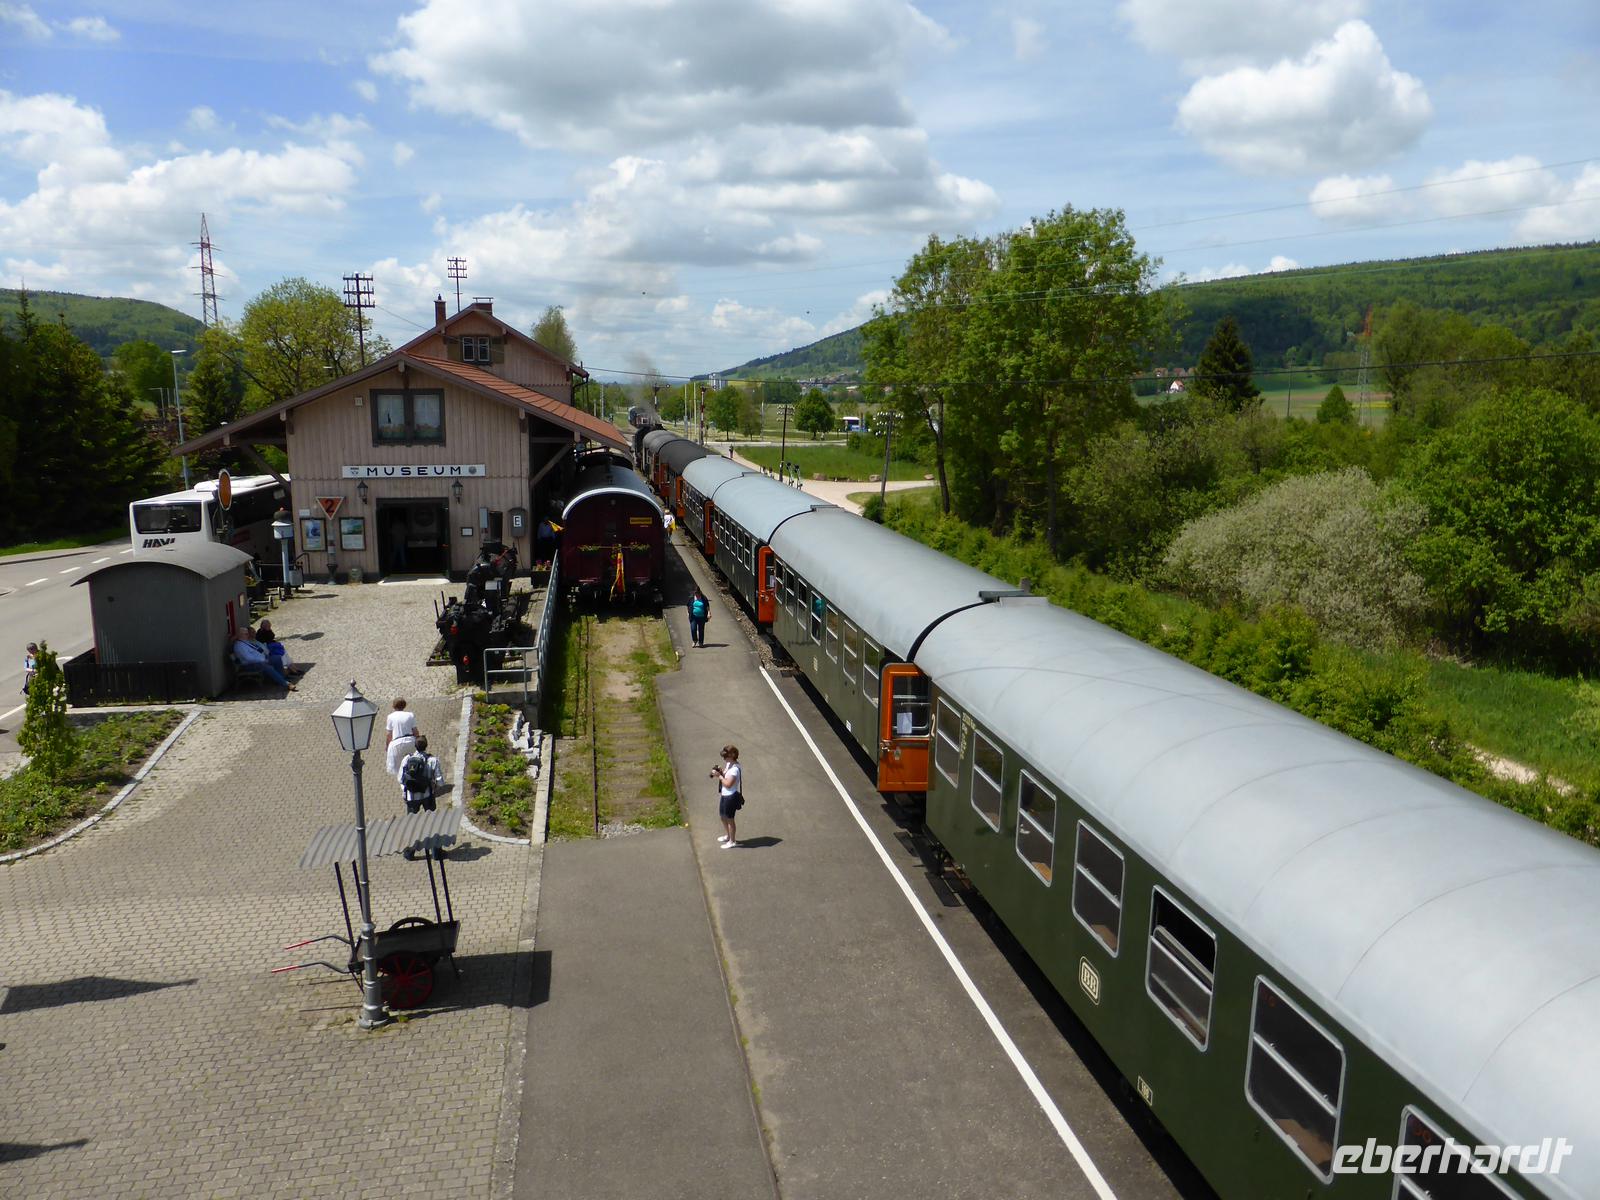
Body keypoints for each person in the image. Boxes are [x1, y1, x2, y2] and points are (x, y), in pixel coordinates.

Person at [399, 734, 445, 814]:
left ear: (415, 746)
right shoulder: (433, 760)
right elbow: (440, 781)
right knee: (431, 818)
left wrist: (406, 790)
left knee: (411, 820)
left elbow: (400, 779)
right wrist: (435, 787)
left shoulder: (407, 759)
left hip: (411, 796)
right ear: (426, 746)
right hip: (427, 795)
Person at [711, 744, 743, 848]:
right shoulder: (729, 764)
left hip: (730, 797)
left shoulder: (735, 769)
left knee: (730, 819)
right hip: (725, 795)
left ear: (732, 755)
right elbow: (725, 775)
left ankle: (732, 841)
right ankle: (728, 836)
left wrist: (719, 776)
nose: (724, 759)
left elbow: (728, 784)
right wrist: (720, 771)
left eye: (725, 756)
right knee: (722, 817)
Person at [385, 697, 419, 776]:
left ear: (393, 706)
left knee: (398, 768)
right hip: (410, 741)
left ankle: (402, 781)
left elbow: (389, 734)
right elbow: (415, 731)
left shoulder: (390, 717)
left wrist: (387, 746)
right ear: (404, 706)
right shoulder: (410, 715)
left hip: (397, 744)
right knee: (415, 763)